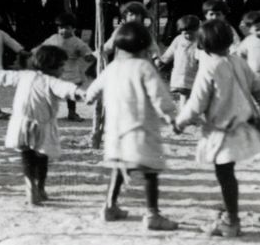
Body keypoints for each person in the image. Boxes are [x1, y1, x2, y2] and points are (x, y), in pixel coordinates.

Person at [173, 18, 260, 238]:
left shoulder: (209, 67)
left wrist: (180, 122)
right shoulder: (238, 61)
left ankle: (232, 221)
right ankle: (229, 213)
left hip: (221, 130)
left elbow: (196, 103)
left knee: (225, 174)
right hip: (243, 124)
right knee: (227, 173)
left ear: (203, 44)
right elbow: (259, 88)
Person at [84, 21, 179, 231]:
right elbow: (159, 96)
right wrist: (172, 117)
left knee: (119, 168)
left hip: (116, 131)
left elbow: (95, 88)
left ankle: (109, 206)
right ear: (145, 45)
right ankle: (153, 214)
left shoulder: (113, 67)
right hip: (141, 129)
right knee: (150, 171)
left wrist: (89, 97)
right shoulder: (145, 67)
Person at [0, 44, 88, 205]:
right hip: (42, 126)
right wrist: (82, 93)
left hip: (21, 124)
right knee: (41, 157)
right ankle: (40, 187)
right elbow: (68, 89)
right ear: (52, 66)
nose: (63, 70)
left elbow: (3, 76)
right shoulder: (51, 81)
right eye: (61, 66)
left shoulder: (24, 75)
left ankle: (30, 186)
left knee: (27, 156)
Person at [41, 13, 93, 120]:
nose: (63, 31)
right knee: (51, 92)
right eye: (61, 28)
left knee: (71, 94)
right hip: (55, 70)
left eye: (67, 28)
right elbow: (42, 48)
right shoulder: (54, 38)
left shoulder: (78, 42)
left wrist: (90, 56)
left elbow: (87, 54)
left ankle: (72, 113)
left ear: (73, 28)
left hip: (71, 71)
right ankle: (47, 112)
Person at [157, 14, 200, 107]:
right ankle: (183, 114)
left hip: (195, 72)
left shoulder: (200, 41)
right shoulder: (178, 40)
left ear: (197, 30)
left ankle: (192, 114)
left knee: (195, 95)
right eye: (185, 33)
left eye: (191, 33)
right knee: (184, 95)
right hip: (181, 73)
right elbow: (170, 52)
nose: (188, 35)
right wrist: (162, 61)